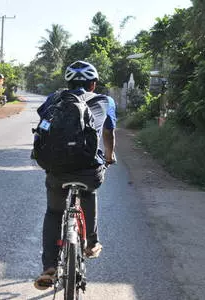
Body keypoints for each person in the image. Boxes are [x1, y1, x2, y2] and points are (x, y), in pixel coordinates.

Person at [33, 61, 117, 290]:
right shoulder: (105, 101)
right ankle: (91, 243)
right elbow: (108, 134)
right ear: (93, 84)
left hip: (57, 170)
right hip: (89, 170)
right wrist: (109, 157)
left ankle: (49, 267)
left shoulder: (55, 99)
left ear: (68, 83)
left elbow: (43, 122)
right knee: (89, 191)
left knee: (53, 212)